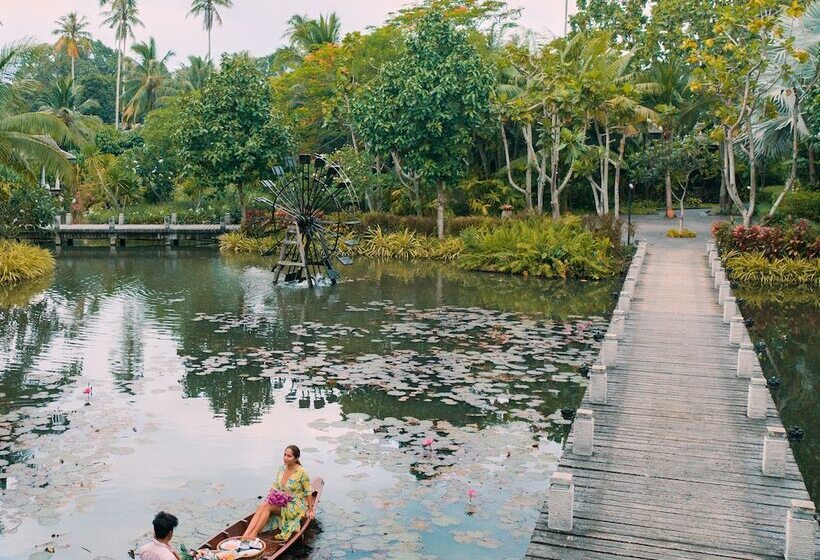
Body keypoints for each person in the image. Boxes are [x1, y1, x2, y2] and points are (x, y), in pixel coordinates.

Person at [241, 444, 314, 541]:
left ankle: (253, 535)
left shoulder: (302, 472)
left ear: (296, 458)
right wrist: (269, 497)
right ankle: (245, 535)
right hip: (282, 501)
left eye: (289, 456)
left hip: (294, 504)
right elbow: (275, 486)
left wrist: (311, 510)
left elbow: (308, 491)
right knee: (262, 505)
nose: (285, 458)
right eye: (285, 455)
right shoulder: (281, 468)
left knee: (267, 507)